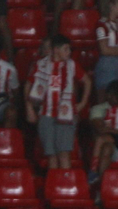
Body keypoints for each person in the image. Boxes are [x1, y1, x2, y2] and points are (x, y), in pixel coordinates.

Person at [27, 35, 88, 169]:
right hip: (46, 113)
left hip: (65, 115)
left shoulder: (72, 65)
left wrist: (82, 103)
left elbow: (87, 81)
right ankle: (54, 187)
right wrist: (29, 108)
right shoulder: (41, 65)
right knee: (51, 155)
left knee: (64, 153)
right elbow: (29, 85)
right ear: (56, 50)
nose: (69, 52)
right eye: (66, 49)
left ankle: (64, 186)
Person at [93, 0, 118, 91]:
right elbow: (104, 50)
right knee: (106, 99)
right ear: (111, 5)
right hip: (108, 64)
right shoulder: (102, 24)